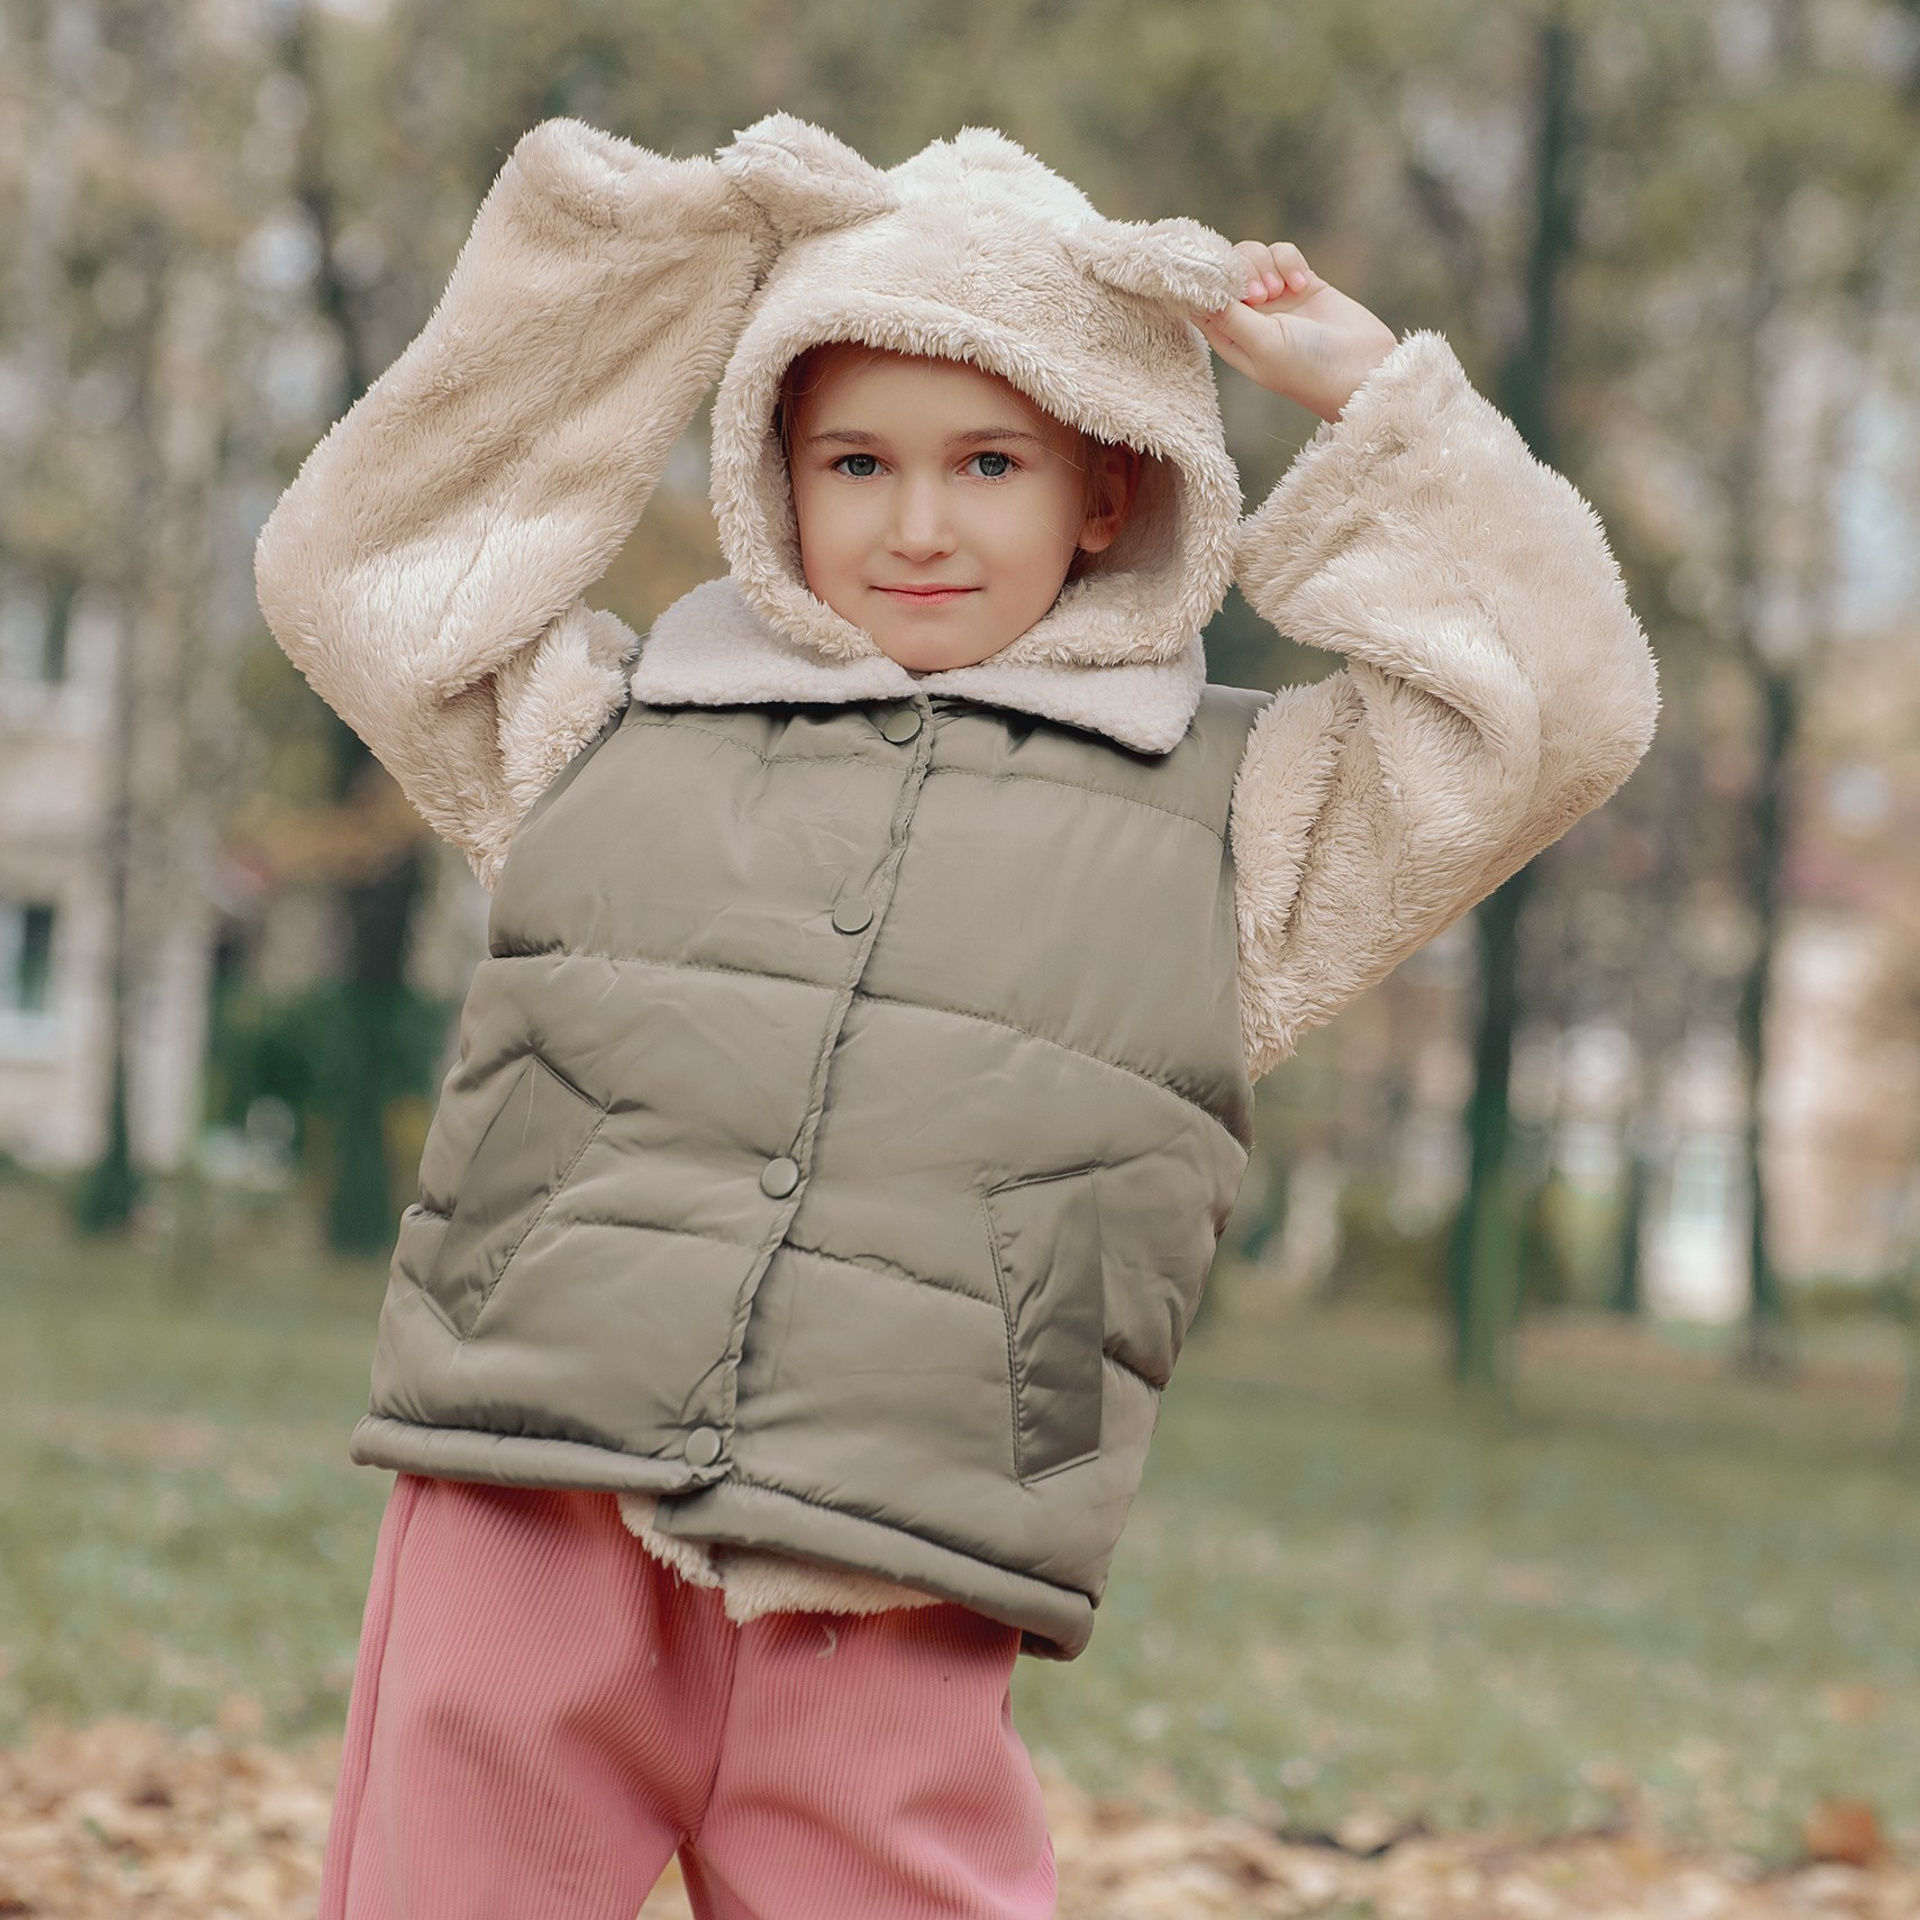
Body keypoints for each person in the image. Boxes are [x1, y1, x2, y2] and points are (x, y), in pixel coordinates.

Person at [255, 112, 1657, 1920]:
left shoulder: (1238, 824)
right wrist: (652, 264)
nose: (917, 523)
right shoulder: (607, 724)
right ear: (777, 471)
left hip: (902, 1567)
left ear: (1110, 485)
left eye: (989, 460)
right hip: (531, 1503)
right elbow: (357, 572)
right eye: (856, 459)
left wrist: (1376, 396)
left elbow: (1557, 712)